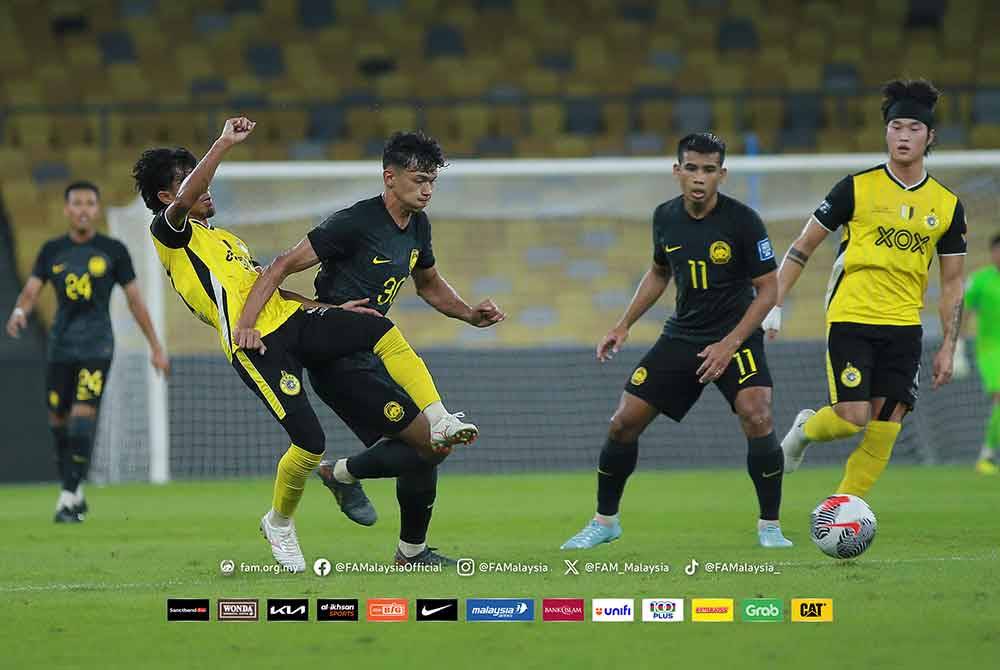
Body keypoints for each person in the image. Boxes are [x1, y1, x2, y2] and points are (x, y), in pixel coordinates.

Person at [132, 118, 474, 572]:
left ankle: (439, 418)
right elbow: (192, 202)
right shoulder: (169, 232)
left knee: (376, 327)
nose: (206, 188)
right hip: (254, 343)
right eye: (190, 182)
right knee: (309, 443)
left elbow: (271, 286)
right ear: (167, 197)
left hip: (292, 320)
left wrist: (330, 310)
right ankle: (279, 521)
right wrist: (222, 143)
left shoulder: (227, 241)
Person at [237, 130, 505, 566]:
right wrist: (246, 325)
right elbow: (281, 266)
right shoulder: (354, 222)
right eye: (419, 179)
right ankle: (366, 500)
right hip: (337, 358)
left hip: (372, 353)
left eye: (432, 181)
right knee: (430, 443)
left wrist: (470, 314)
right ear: (389, 177)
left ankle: (358, 493)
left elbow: (430, 285)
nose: (427, 189)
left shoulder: (418, 226)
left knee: (431, 449)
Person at [561, 132, 792, 550]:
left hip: (736, 336)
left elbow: (769, 289)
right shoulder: (665, 217)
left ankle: (770, 527)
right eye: (691, 168)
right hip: (683, 335)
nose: (699, 177)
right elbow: (659, 272)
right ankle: (605, 521)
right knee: (622, 423)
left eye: (708, 169)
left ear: (722, 174)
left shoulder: (743, 221)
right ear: (677, 171)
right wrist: (623, 324)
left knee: (757, 414)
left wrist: (731, 344)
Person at [767, 79, 967, 497]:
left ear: (930, 136)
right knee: (851, 417)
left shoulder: (947, 206)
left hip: (904, 326)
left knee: (885, 429)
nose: (903, 135)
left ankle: (842, 511)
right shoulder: (855, 188)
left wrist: (949, 344)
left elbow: (952, 282)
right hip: (851, 316)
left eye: (914, 128)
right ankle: (805, 429)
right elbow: (802, 247)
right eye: (896, 127)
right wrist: (774, 303)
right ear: (886, 132)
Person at [6, 180, 169, 523]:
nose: (83, 209)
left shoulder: (113, 250)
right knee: (58, 420)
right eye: (76, 203)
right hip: (60, 346)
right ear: (67, 210)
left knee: (82, 416)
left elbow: (135, 300)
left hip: (97, 345)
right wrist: (20, 312)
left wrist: (155, 345)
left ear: (96, 209)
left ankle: (66, 497)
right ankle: (75, 489)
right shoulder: (52, 250)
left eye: (89, 203)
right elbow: (32, 291)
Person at [963, 233, 1000, 474]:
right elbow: (963, 312)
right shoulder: (980, 280)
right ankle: (987, 455)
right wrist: (955, 348)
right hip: (990, 349)